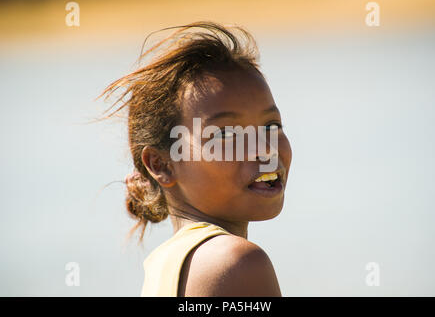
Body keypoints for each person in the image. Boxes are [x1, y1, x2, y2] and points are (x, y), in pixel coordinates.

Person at [99, 21, 292, 297]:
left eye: (271, 127)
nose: (264, 148)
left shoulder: (164, 266)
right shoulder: (236, 264)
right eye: (226, 134)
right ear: (161, 164)